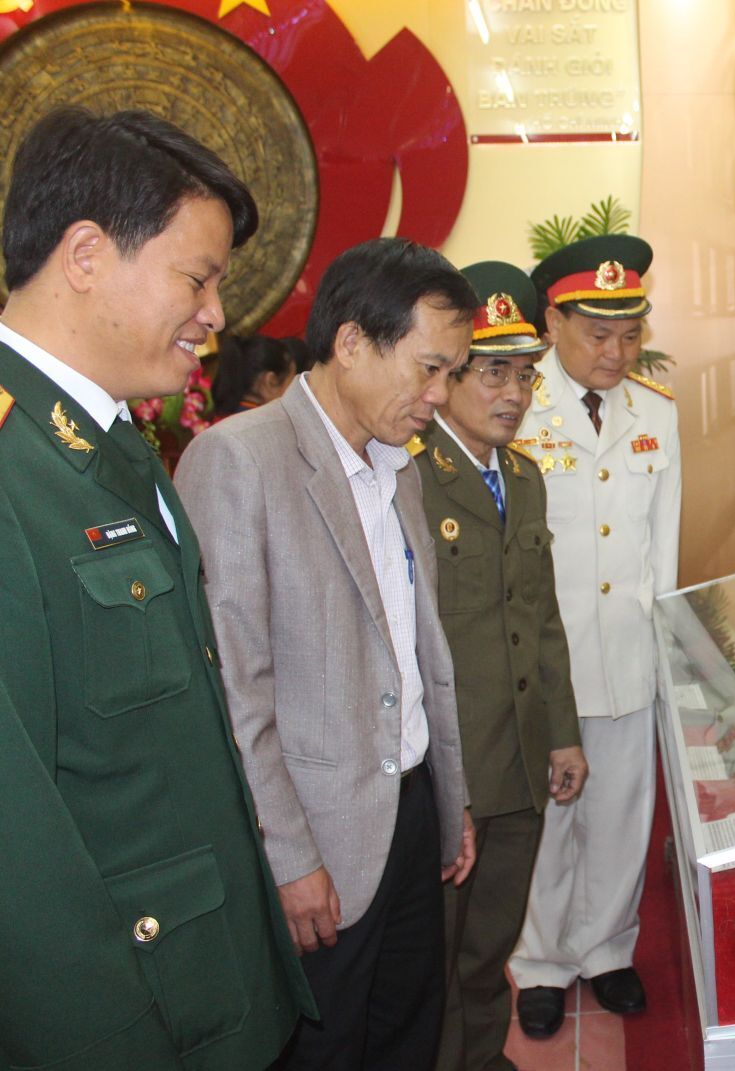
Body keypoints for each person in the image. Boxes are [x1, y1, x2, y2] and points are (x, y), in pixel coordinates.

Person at [0, 105, 313, 1070]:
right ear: (86, 254)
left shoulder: (114, 443)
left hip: (207, 980)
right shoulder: (15, 469)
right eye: (197, 277)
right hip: (123, 1016)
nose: (217, 313)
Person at [174, 237, 479, 1070]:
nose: (440, 395)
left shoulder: (398, 466)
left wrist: (447, 795)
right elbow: (233, 689)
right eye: (428, 369)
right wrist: (289, 857)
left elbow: (416, 652)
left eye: (451, 372)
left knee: (408, 1033)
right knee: (325, 1049)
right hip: (318, 836)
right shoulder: (240, 458)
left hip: (410, 811)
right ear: (351, 342)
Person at [414, 260, 589, 1070]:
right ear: (449, 375)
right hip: (452, 769)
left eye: (524, 374)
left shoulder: (522, 477)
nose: (514, 393)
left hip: (518, 757)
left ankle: (483, 1057)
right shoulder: (411, 477)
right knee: (437, 952)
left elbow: (541, 618)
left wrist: (562, 732)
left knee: (491, 943)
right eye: (493, 373)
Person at [507, 234, 681, 1037]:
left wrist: (667, 657)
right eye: (598, 334)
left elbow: (662, 551)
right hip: (547, 663)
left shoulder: (657, 415)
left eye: (630, 334)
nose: (617, 352)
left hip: (628, 652)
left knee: (620, 812)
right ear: (554, 323)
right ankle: (541, 960)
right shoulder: (514, 407)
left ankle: (608, 949)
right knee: (548, 817)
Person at [213, 333, 296, 416]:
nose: (297, 390)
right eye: (293, 381)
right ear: (270, 381)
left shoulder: (224, 416)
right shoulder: (267, 421)